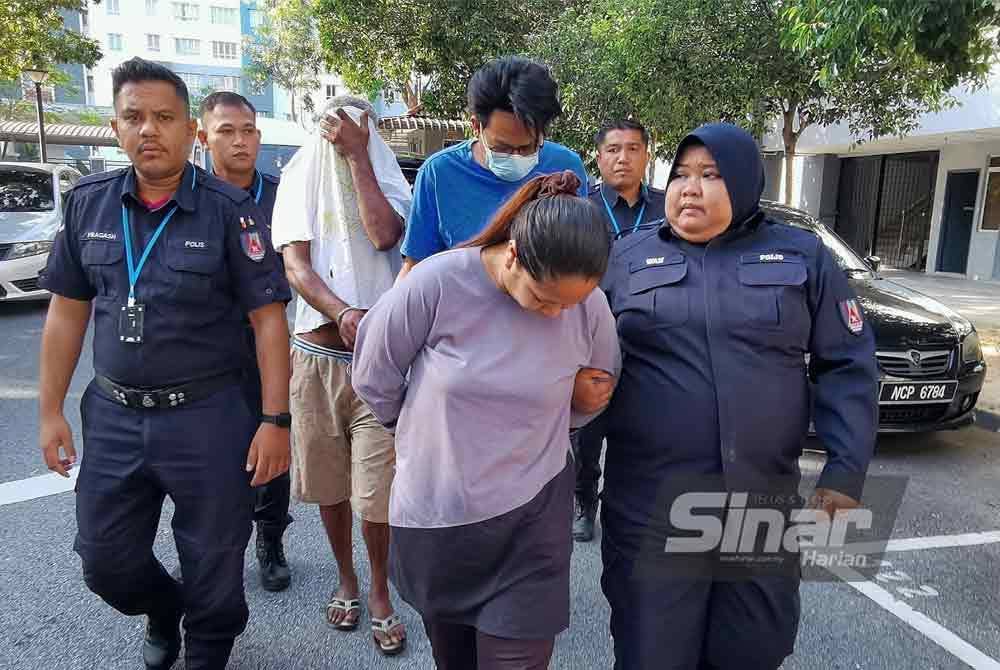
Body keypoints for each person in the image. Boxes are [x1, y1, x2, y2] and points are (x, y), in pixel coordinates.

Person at [38, 58, 291, 670]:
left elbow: (269, 321)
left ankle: (207, 649)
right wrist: (49, 412)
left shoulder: (232, 211)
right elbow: (66, 315)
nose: (148, 129)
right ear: (117, 127)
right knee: (104, 559)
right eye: (134, 117)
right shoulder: (88, 206)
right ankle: (161, 607)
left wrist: (275, 421)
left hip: (208, 415)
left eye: (164, 117)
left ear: (188, 132)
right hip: (116, 414)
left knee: (214, 561)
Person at [598, 122, 879, 670]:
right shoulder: (626, 258)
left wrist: (845, 473)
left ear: (747, 182)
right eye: (680, 175)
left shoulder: (800, 255)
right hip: (653, 508)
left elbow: (847, 363)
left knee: (753, 649)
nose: (689, 188)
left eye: (709, 175)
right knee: (652, 654)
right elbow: (579, 361)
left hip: (760, 504)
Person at [352, 170, 620, 670]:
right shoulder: (437, 281)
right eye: (544, 299)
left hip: (533, 520)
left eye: (572, 303)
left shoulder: (589, 309)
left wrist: (578, 402)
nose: (557, 316)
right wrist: (420, 431)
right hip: (441, 515)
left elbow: (595, 391)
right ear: (514, 254)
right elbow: (373, 374)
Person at [270, 95, 413, 655]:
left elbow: (384, 236)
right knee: (329, 484)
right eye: (337, 124)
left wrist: (358, 157)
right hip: (316, 358)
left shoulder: (389, 177)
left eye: (358, 126)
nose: (343, 132)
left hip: (379, 362)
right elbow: (295, 265)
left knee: (376, 494)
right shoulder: (298, 177)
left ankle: (379, 589)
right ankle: (345, 578)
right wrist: (342, 312)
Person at [198, 90, 293, 593]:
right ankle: (213, 551)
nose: (240, 141)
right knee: (210, 454)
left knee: (272, 444)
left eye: (249, 130)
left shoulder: (281, 195)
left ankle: (271, 537)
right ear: (203, 137)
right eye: (226, 131)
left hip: (268, 345)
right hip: (206, 352)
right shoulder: (187, 197)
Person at [397, 56, 588, 280]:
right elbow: (417, 268)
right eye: (503, 148)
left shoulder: (566, 168)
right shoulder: (439, 173)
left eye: (528, 147)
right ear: (476, 126)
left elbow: (578, 262)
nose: (516, 156)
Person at [574, 119, 666, 543]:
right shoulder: (581, 206)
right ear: (599, 157)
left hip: (652, 341)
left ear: (647, 155)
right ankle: (583, 504)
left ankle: (634, 508)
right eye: (613, 150)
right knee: (589, 431)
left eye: (632, 149)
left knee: (645, 432)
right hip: (591, 340)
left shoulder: (668, 208)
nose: (622, 158)